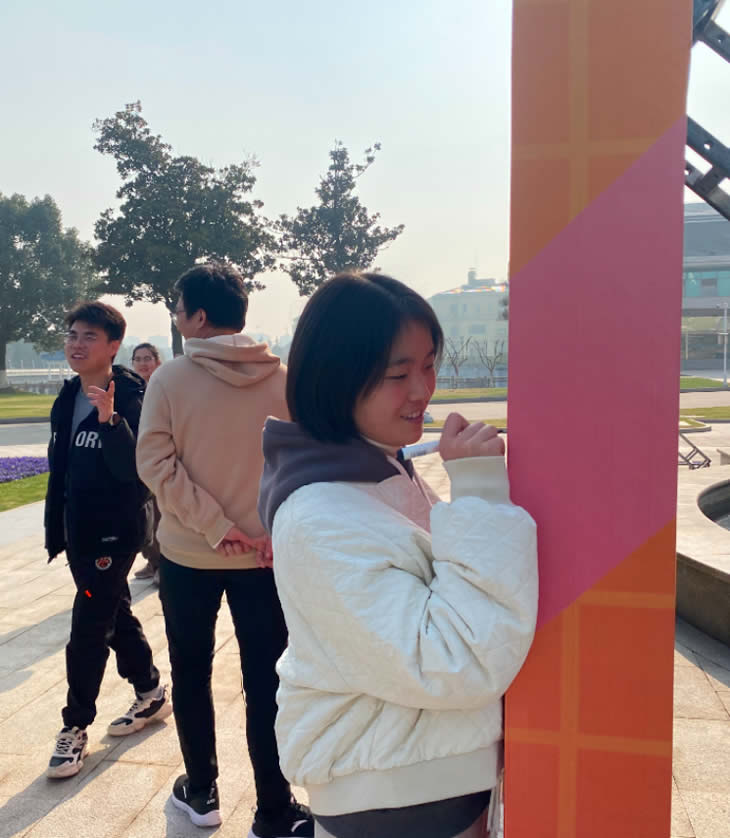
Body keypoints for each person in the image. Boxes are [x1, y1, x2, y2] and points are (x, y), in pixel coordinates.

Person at [258, 272, 539, 838]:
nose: (422, 389)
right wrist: (480, 491)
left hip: (418, 780)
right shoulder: (320, 517)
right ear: (336, 378)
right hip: (398, 799)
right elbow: (455, 661)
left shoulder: (375, 470)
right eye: (398, 373)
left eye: (429, 365)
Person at [136, 263, 313, 836]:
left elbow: (155, 465)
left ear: (199, 316)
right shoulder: (284, 379)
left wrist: (215, 526)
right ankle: (275, 808)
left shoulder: (169, 380)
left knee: (191, 672)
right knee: (267, 680)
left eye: (178, 308)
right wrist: (269, 529)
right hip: (264, 557)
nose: (176, 318)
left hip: (190, 555)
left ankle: (202, 791)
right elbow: (307, 461)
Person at [44, 302, 171, 780]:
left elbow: (138, 474)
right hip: (77, 530)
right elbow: (62, 473)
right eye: (72, 335)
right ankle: (151, 691)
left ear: (113, 345)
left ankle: (74, 726)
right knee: (112, 612)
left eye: (89, 337)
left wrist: (111, 422)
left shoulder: (134, 396)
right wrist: (57, 527)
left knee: (88, 627)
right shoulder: (67, 397)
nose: (76, 344)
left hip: (113, 534)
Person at [130, 343, 163, 584]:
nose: (143, 363)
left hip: (159, 459)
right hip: (135, 459)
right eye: (138, 359)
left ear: (157, 362)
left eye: (147, 358)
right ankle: (152, 560)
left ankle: (162, 564)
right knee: (143, 514)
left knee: (160, 514)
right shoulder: (130, 390)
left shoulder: (163, 388)